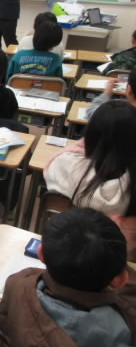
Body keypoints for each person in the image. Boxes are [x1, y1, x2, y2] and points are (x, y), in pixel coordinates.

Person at [0, 208, 136, 347]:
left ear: (41, 254)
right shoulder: (119, 332)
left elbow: (3, 322)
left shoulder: (19, 282)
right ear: (120, 280)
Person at [44, 101, 136, 259]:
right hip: (117, 259)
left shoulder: (65, 164)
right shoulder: (131, 186)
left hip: (64, 247)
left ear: (91, 134)